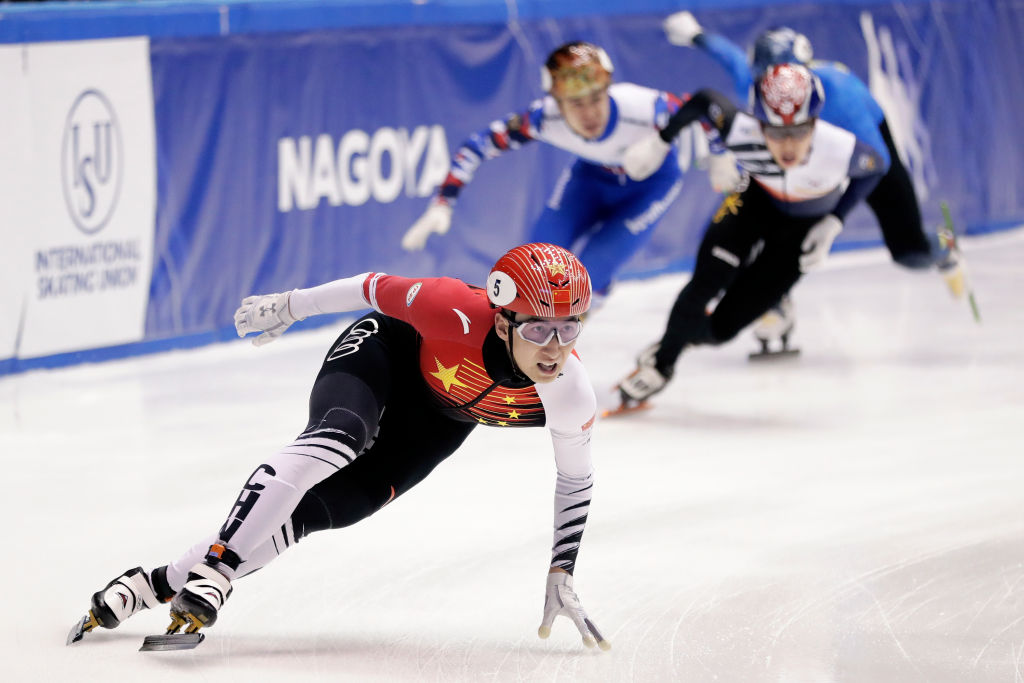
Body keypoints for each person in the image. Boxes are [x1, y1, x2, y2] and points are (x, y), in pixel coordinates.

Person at [69, 243, 610, 651]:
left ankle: (150, 584)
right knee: (339, 438)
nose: (555, 348)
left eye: (570, 328)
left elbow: (575, 481)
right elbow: (371, 287)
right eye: (539, 330)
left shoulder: (568, 393)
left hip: (439, 418)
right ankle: (218, 568)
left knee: (335, 507)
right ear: (501, 318)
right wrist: (290, 306)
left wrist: (562, 570)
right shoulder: (450, 308)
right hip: (385, 355)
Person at [660, 12, 966, 347]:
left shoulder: (841, 97)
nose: (782, 100)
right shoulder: (761, 86)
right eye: (768, 84)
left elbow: (876, 164)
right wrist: (696, 34)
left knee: (909, 251)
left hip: (862, 152)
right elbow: (731, 58)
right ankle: (775, 296)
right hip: (800, 156)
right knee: (756, 212)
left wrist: (835, 219)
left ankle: (942, 247)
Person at [610, 63, 887, 410]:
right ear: (758, 124)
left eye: (799, 131)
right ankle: (661, 365)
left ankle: (684, 336)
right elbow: (703, 100)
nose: (787, 145)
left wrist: (834, 221)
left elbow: (877, 168)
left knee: (721, 330)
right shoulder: (742, 129)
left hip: (803, 226)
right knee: (705, 284)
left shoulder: (842, 150)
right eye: (774, 131)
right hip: (754, 201)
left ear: (816, 123)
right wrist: (660, 142)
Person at [401, 41, 698, 308]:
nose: (589, 113)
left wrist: (722, 155)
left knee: (589, 276)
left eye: (596, 98)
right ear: (557, 104)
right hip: (592, 178)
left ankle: (588, 305)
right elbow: (478, 145)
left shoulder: (644, 106)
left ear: (609, 90)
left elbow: (704, 108)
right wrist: (443, 202)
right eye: (576, 104)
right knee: (535, 264)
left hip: (651, 187)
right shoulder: (543, 118)